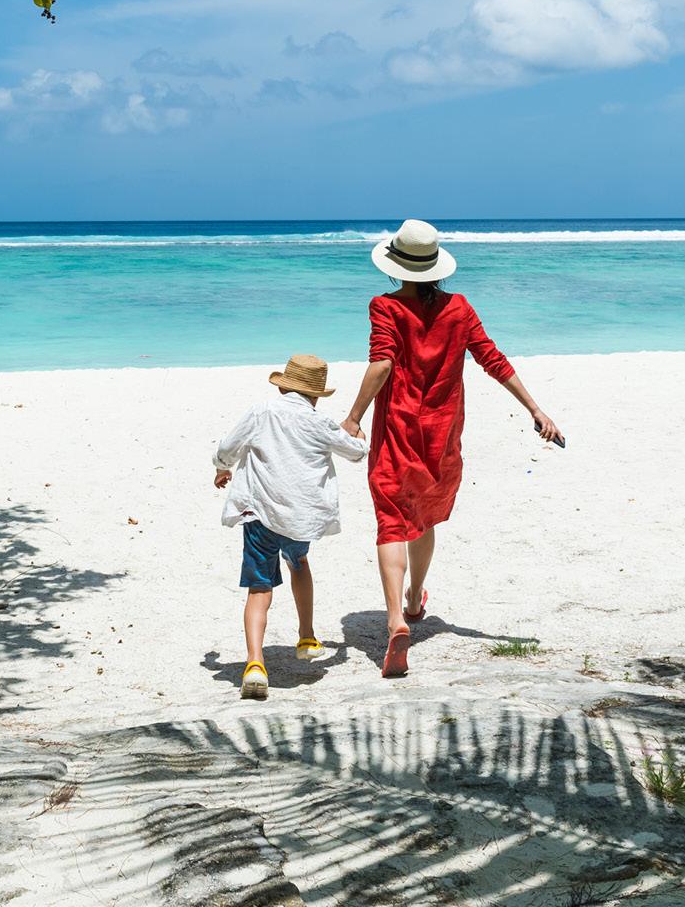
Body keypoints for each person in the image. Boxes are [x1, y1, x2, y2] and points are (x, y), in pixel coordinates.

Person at [340, 219, 563, 679]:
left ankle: (397, 620)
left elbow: (381, 363)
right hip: (442, 432)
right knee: (422, 515)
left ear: (397, 266)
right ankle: (416, 597)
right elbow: (492, 359)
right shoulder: (458, 308)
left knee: (391, 519)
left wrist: (354, 416)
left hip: (399, 426)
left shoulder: (385, 307)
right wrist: (536, 409)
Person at [213, 354, 368, 699]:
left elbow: (227, 447)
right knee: (299, 564)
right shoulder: (321, 422)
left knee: (259, 589)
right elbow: (357, 452)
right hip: (299, 520)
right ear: (316, 395)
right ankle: (307, 635)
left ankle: (254, 663)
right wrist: (357, 431)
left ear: (283, 385)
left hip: (260, 515)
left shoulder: (262, 412)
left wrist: (222, 468)